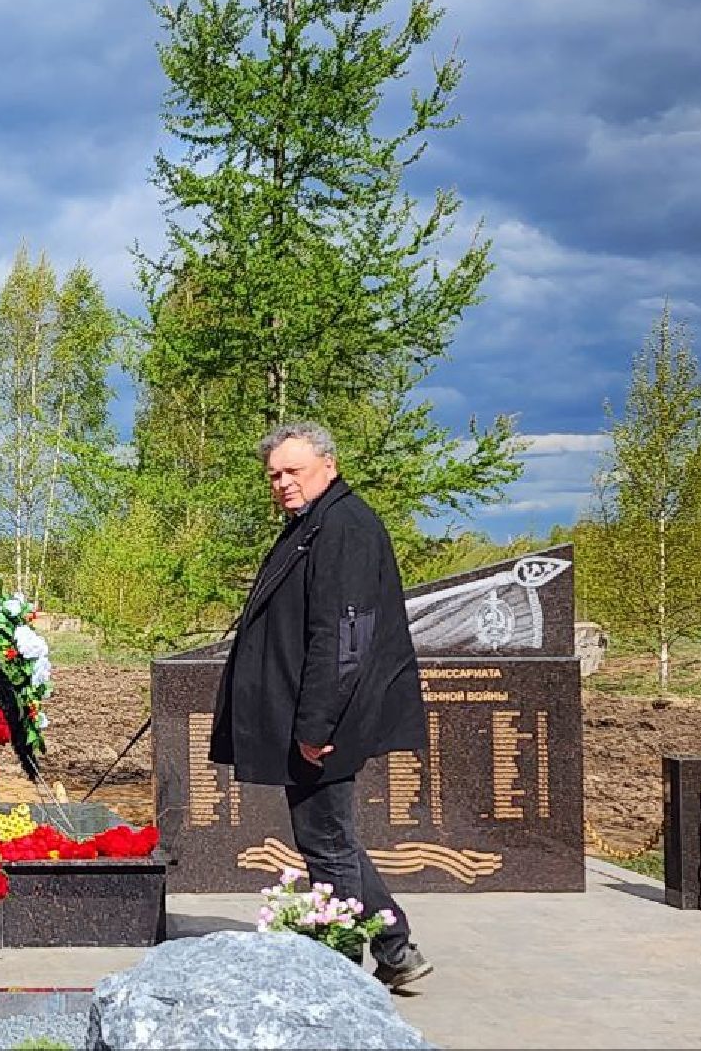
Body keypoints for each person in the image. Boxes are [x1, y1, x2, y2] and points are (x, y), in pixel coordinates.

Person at [211, 422, 433, 990]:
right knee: (331, 835)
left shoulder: (343, 527)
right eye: (275, 475)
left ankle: (341, 980)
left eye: (294, 471)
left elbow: (345, 637)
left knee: (326, 844)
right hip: (315, 715)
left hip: (327, 720)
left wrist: (315, 724)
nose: (283, 483)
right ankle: (396, 949)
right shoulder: (316, 522)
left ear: (328, 467)